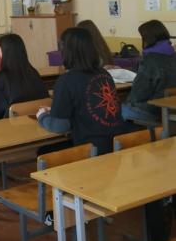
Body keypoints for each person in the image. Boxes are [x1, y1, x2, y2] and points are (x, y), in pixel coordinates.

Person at [37, 27, 129, 155]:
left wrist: (42, 116)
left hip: (92, 150)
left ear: (66, 51)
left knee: (44, 152)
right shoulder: (104, 74)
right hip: (117, 144)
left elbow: (59, 126)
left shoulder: (66, 80)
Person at [0, 33, 49, 121]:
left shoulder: (1, 78)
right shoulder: (34, 73)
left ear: (4, 52)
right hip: (37, 123)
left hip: (10, 126)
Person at [122, 20, 176, 125]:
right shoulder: (173, 55)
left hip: (152, 110)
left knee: (114, 110)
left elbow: (138, 95)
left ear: (147, 40)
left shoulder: (150, 59)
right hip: (170, 109)